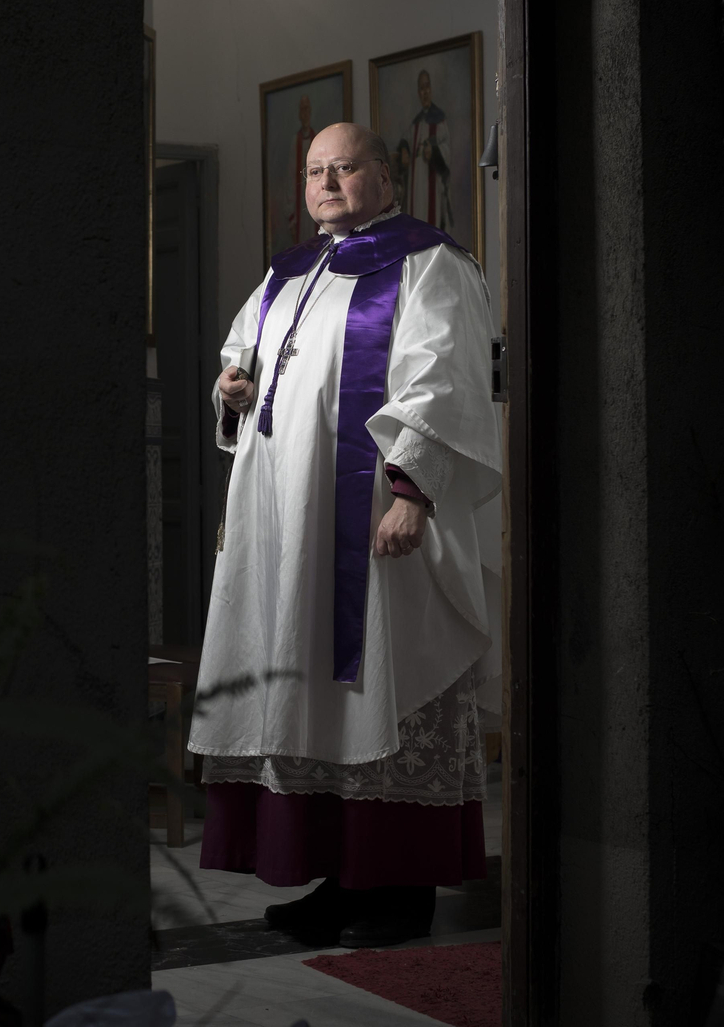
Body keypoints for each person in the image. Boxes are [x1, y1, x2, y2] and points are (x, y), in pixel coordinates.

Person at [189, 122, 501, 948]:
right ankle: (338, 879)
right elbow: (243, 358)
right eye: (315, 170)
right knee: (312, 696)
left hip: (374, 528)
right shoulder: (290, 270)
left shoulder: (430, 263)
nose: (327, 182)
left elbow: (445, 383)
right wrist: (230, 383)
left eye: (346, 167)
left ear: (385, 174)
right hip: (288, 529)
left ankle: (400, 894)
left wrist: (413, 493)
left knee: (378, 691)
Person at [397, 69, 454, 231]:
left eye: (427, 87)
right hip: (415, 185)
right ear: (418, 92)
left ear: (431, 89)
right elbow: (405, 140)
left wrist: (435, 151)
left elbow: (447, 149)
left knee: (432, 221)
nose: (425, 92)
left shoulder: (440, 120)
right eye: (421, 88)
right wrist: (404, 150)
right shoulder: (416, 123)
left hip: (432, 182)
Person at [287, 95, 320, 246]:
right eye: (302, 110)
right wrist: (291, 214)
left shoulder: (317, 139)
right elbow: (291, 176)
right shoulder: (296, 140)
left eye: (307, 109)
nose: (305, 113)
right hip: (300, 200)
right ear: (300, 114)